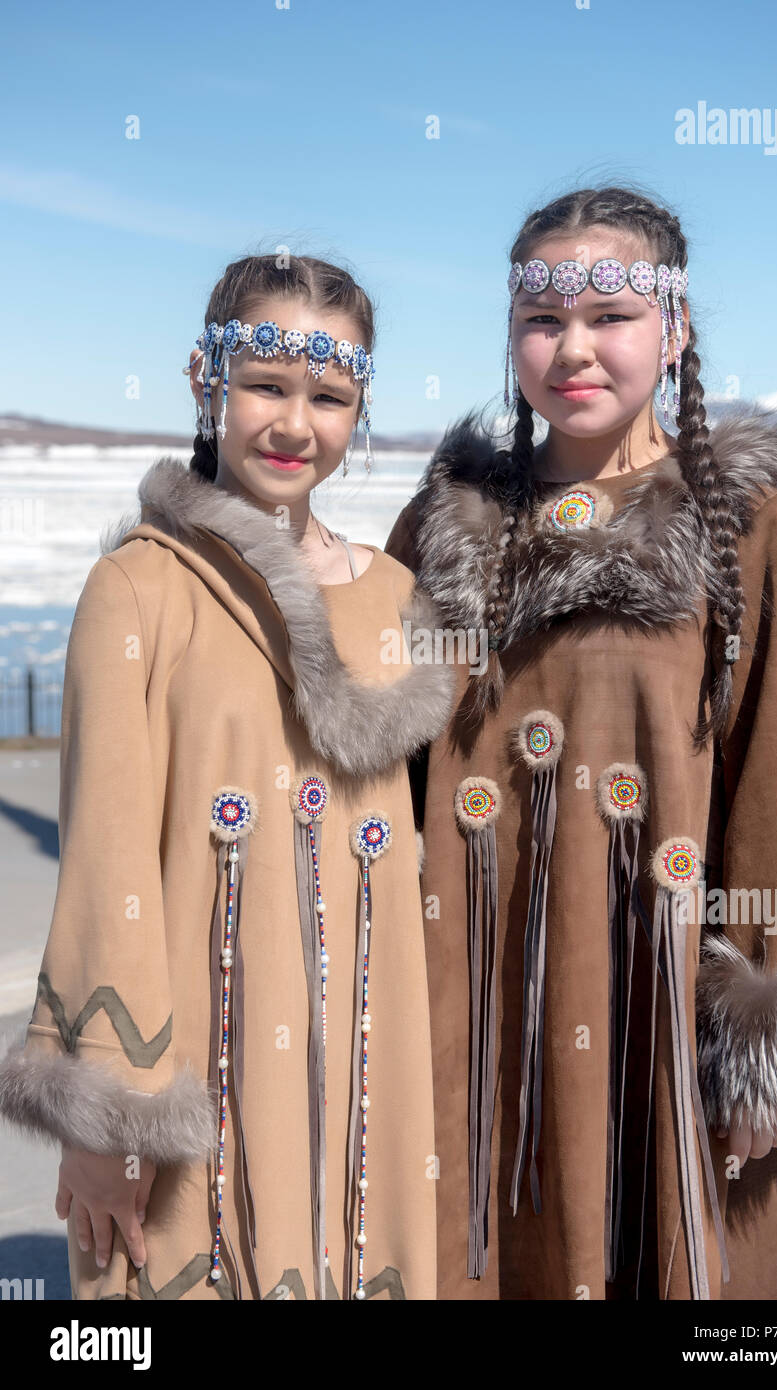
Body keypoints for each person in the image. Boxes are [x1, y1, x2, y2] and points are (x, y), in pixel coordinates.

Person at [384, 185, 777, 1301]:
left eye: (611, 314)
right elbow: (380, 762)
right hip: (474, 991)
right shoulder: (448, 520)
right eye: (543, 319)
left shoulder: (744, 519)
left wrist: (770, 1025)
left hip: (660, 987)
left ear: (676, 329)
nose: (574, 348)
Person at [0, 253, 455, 1301]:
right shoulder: (141, 587)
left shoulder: (396, 597)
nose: (295, 423)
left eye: (329, 396)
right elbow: (106, 855)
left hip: (367, 1067)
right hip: (197, 1055)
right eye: (267, 385)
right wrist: (109, 1112)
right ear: (206, 380)